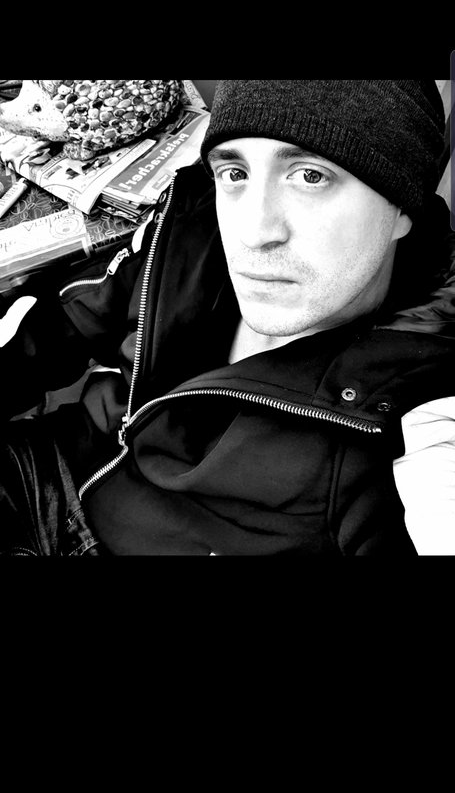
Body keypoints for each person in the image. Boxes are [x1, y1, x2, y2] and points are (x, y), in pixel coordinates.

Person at [0, 79, 454, 557]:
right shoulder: (192, 224)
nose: (253, 232)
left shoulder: (421, 412)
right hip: (48, 472)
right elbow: (59, 322)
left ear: (402, 208)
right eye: (235, 172)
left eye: (310, 176)